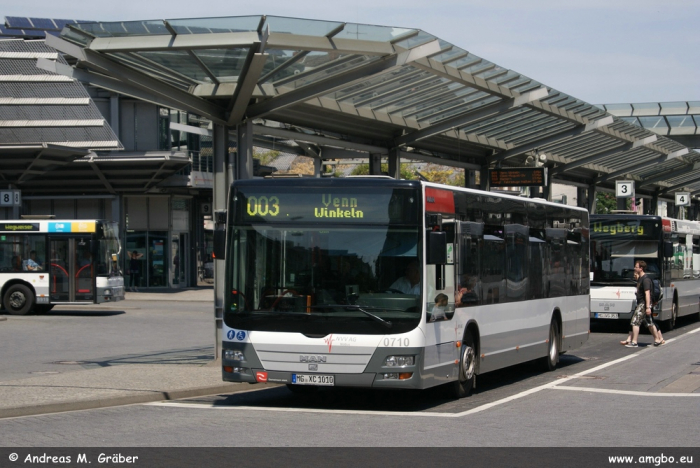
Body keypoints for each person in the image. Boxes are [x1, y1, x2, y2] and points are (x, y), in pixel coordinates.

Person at [622, 261, 666, 348]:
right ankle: (657, 340)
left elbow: (647, 294)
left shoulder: (645, 279)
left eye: (636, 267)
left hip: (643, 304)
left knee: (635, 321)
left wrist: (647, 307)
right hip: (642, 304)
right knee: (649, 323)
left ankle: (634, 342)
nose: (634, 268)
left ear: (641, 268)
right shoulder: (641, 279)